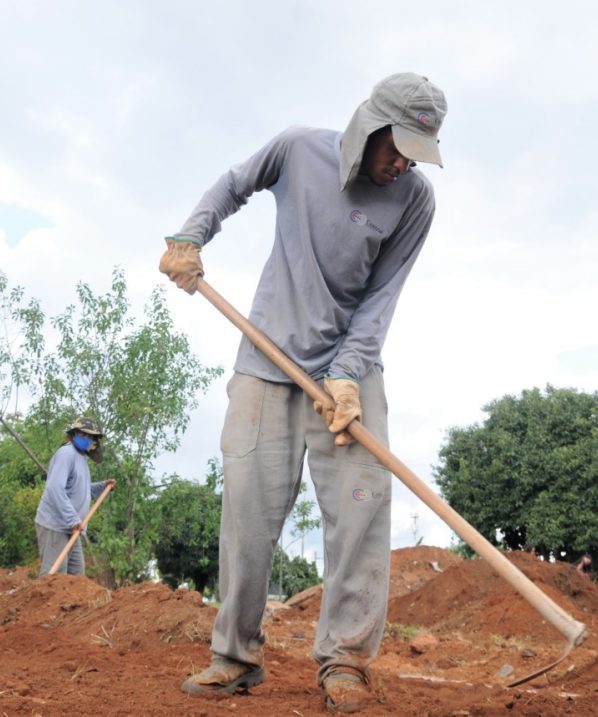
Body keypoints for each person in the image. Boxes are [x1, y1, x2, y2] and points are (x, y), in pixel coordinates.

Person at [159, 72, 447, 712]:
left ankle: (345, 662)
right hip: (266, 360)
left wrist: (346, 374)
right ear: (368, 127)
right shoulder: (297, 149)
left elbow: (381, 298)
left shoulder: (415, 200)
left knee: (362, 508)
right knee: (248, 513)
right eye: (397, 147)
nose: (402, 164)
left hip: (350, 372)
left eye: (416, 154)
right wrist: (190, 235)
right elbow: (233, 185)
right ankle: (235, 657)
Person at [35, 416, 116, 576]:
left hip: (72, 528)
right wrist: (73, 519)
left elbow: (79, 490)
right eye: (82, 434)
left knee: (77, 579)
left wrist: (102, 486)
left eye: (90, 436)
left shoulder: (81, 460)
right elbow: (55, 488)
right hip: (55, 525)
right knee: (55, 578)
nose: (86, 438)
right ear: (73, 434)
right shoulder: (66, 454)